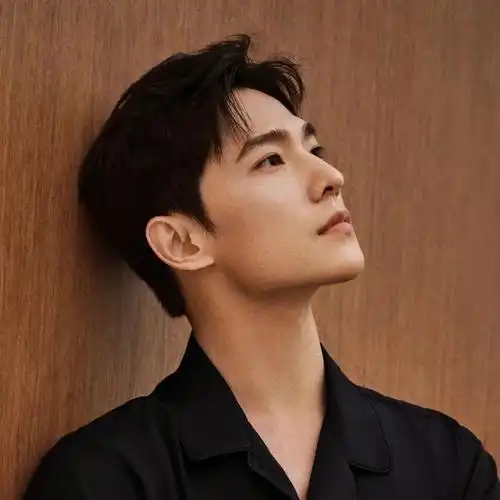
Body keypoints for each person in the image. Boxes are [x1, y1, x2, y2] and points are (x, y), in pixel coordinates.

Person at [23, 34, 499, 500]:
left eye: (313, 151)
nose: (331, 177)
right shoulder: (107, 479)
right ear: (182, 242)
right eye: (271, 160)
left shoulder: (448, 466)